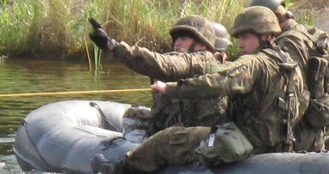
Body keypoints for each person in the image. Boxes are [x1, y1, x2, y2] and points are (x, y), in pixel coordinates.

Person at [100, 6, 309, 174]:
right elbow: (302, 103)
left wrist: (172, 89)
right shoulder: (290, 64)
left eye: (246, 37)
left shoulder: (253, 63)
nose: (241, 43)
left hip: (246, 141)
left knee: (169, 138)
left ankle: (118, 170)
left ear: (266, 36)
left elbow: (217, 83)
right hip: (280, 144)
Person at [88, 15, 228, 135]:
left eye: (183, 38)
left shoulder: (197, 60)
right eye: (176, 39)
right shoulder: (204, 62)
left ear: (202, 44)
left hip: (191, 133)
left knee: (155, 132)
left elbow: (161, 63)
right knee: (135, 115)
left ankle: (130, 160)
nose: (177, 43)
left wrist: (113, 46)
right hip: (185, 126)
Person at [248, 0, 329, 152]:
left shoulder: (286, 43)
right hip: (320, 121)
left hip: (299, 129)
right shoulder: (317, 34)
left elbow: (288, 93)